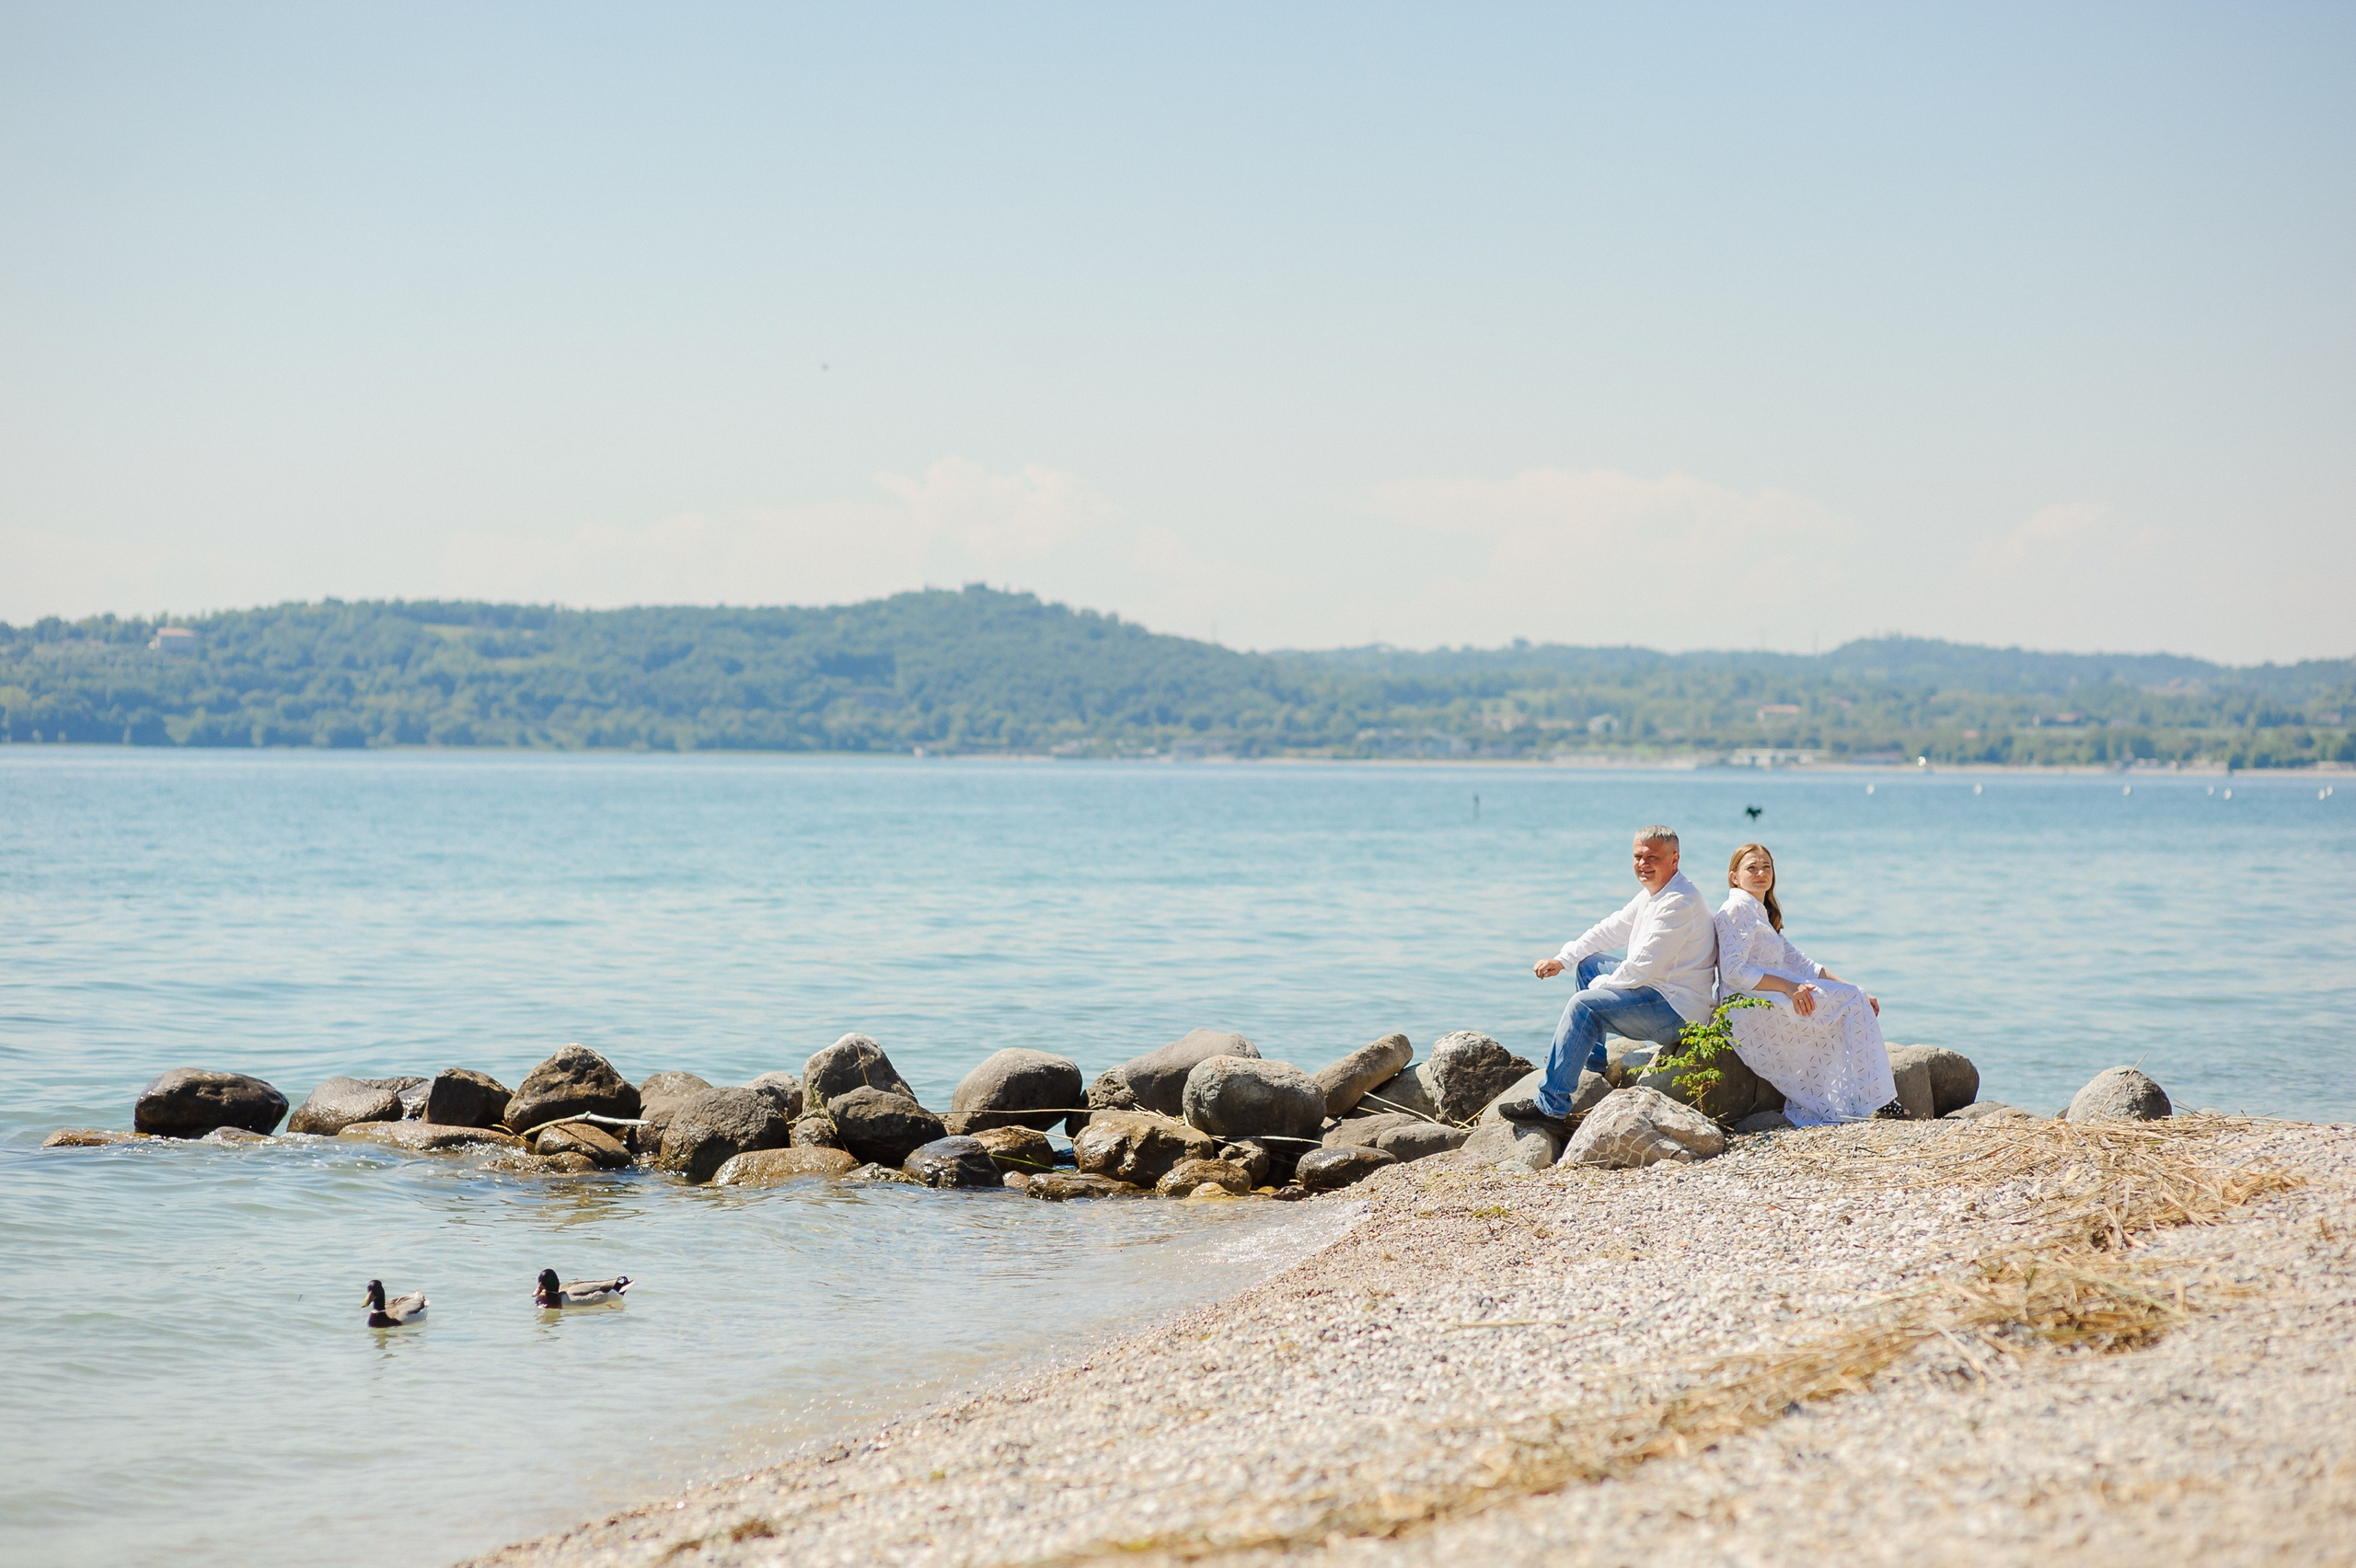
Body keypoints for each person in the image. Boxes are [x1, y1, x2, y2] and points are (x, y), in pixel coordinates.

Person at [1496, 824, 1718, 1132]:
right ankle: (1592, 1068)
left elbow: (1640, 967)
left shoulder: (1679, 902)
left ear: (1675, 859)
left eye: (1652, 857)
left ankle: (1550, 1108)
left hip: (1677, 1011)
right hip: (1656, 991)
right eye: (1638, 856)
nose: (1643, 864)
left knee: (1584, 1007)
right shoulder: (1653, 894)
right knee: (1588, 965)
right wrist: (1564, 959)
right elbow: (1611, 928)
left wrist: (1593, 993)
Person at [1713, 842, 1896, 1124]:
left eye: (1766, 867)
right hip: (1746, 1005)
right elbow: (1734, 972)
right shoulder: (1736, 909)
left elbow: (1801, 963)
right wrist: (1788, 987)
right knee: (1843, 1004)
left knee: (1854, 999)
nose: (1761, 872)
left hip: (1770, 994)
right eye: (1752, 867)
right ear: (1734, 876)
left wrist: (1857, 990)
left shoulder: (1758, 911)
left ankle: (1868, 1100)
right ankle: (1878, 1101)